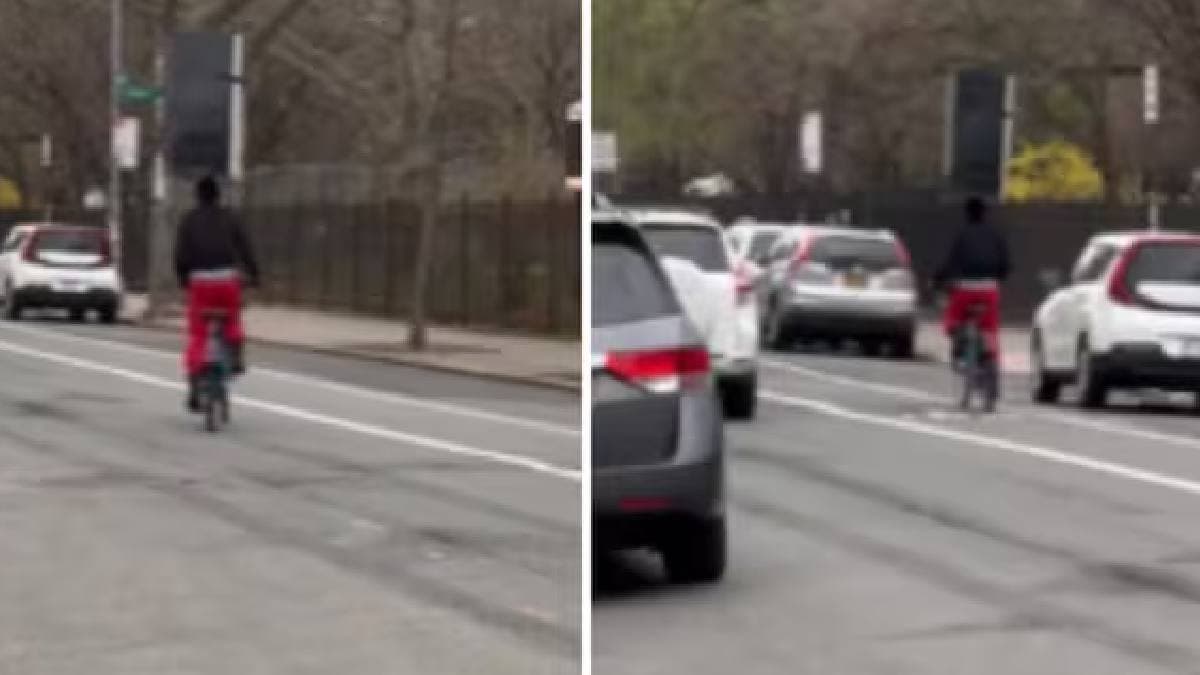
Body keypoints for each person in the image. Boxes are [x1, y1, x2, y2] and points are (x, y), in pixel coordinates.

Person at [174, 176, 259, 411]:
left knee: (198, 333)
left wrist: (183, 280)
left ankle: (194, 381)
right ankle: (236, 358)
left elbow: (180, 255)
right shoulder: (230, 218)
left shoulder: (189, 220)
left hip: (199, 282)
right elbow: (245, 247)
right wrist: (254, 275)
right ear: (218, 195)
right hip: (226, 281)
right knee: (232, 319)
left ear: (198, 196)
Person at [934, 196, 1011, 365]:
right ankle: (991, 358)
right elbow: (1005, 264)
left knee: (953, 318)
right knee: (990, 328)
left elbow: (950, 263)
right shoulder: (995, 235)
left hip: (964, 289)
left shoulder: (962, 235)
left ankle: (959, 344)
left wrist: (938, 280)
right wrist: (998, 278)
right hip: (989, 290)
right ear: (985, 214)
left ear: (966, 214)